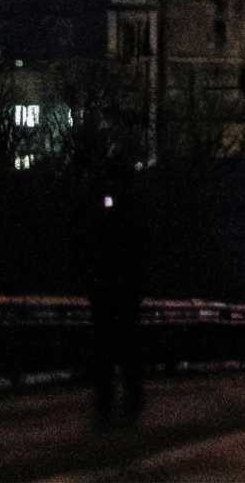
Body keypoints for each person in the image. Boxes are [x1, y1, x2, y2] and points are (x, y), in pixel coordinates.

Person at [84, 163, 147, 426]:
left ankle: (111, 402)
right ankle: (124, 399)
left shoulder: (103, 215)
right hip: (120, 290)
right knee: (121, 347)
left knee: (108, 349)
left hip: (109, 290)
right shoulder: (130, 212)